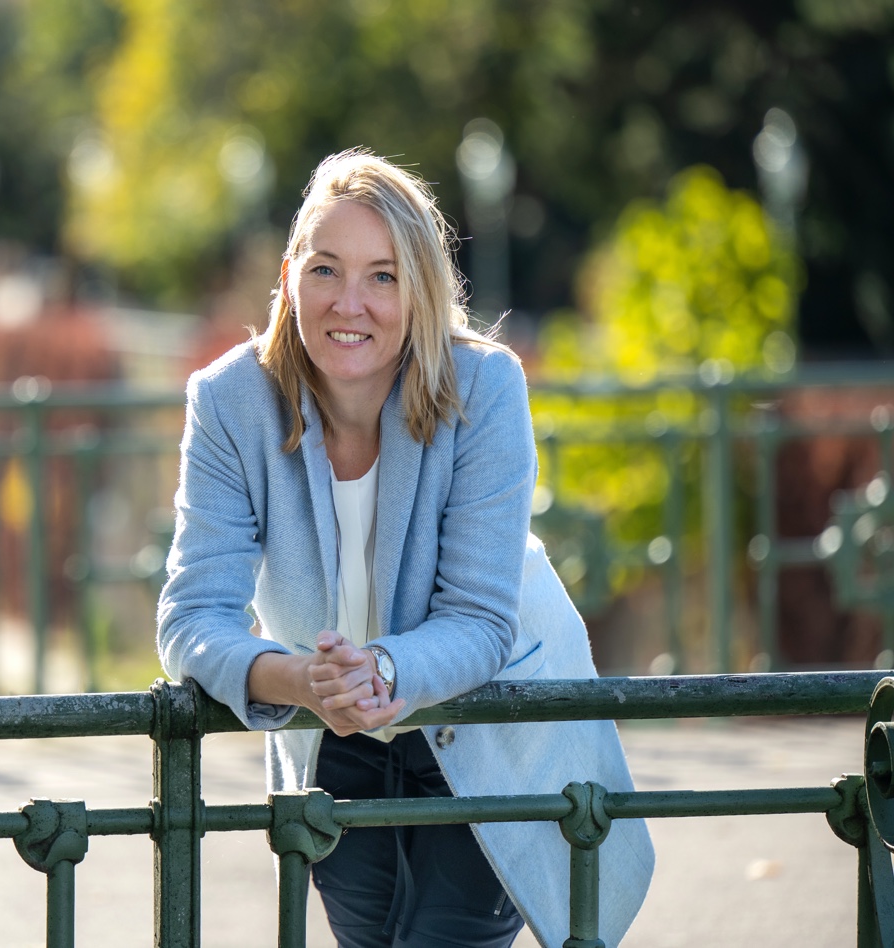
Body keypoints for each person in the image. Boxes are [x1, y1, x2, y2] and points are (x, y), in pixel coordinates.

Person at [157, 148, 652, 948]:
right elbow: (190, 617)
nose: (349, 302)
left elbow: (480, 618)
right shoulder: (229, 402)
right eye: (325, 269)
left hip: (486, 723)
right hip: (334, 745)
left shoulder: (484, 388)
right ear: (288, 276)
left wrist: (382, 670)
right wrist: (300, 682)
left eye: (383, 276)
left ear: (420, 290)